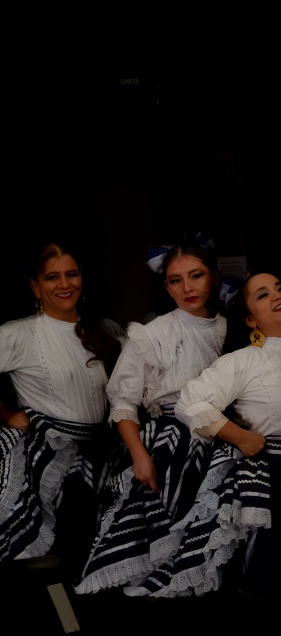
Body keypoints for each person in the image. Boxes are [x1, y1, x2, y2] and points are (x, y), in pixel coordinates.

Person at [128, 272, 281, 611]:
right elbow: (190, 402)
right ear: (249, 318)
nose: (276, 295)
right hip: (277, 479)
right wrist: (239, 436)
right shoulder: (242, 362)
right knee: (279, 586)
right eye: (262, 294)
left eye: (280, 287)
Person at [75, 240, 228, 593]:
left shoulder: (228, 329)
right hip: (171, 446)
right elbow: (123, 402)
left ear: (214, 278)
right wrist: (140, 456)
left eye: (196, 276)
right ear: (166, 286)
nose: (187, 288)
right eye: (175, 280)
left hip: (221, 441)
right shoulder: (153, 333)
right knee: (163, 544)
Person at [0, 242, 121, 570]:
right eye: (53, 277)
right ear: (34, 286)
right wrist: (8, 415)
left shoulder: (105, 330)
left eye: (72, 274)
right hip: (53, 454)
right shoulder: (18, 334)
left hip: (104, 450)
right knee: (66, 545)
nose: (65, 284)